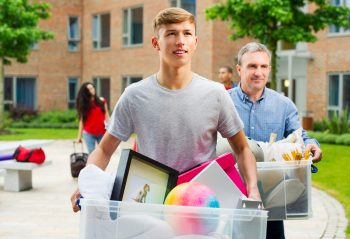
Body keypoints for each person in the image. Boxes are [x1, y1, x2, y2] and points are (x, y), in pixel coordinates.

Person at [71, 7, 261, 212]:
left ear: (195, 42)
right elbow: (104, 149)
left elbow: (242, 149)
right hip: (150, 204)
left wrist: (253, 190)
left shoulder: (215, 93)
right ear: (156, 43)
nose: (180, 40)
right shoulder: (135, 95)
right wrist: (86, 183)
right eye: (171, 33)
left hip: (201, 206)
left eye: (187, 33)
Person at [228, 42, 322, 239]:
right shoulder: (224, 102)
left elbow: (300, 136)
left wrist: (311, 145)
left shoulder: (283, 105)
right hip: (230, 194)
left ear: (269, 69)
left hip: (270, 197)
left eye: (263, 66)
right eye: (252, 66)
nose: (258, 72)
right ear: (239, 69)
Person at [75, 82, 110, 154]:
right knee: (92, 153)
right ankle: (92, 165)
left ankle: (100, 165)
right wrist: (79, 137)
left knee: (103, 153)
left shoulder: (102, 101)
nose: (92, 90)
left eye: (93, 88)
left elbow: (106, 115)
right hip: (89, 133)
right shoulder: (84, 103)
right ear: (86, 92)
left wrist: (110, 129)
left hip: (102, 132)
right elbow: (81, 121)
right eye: (89, 89)